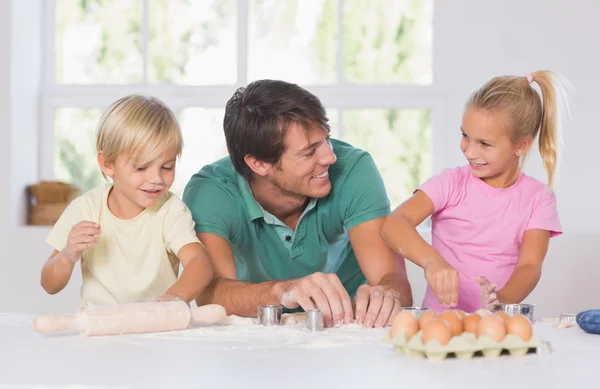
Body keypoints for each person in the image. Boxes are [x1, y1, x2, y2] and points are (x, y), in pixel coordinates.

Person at [182, 79, 413, 328]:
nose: (330, 157)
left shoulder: (354, 169)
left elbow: (393, 281)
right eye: (309, 151)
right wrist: (284, 291)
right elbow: (211, 294)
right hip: (260, 329)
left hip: (351, 325)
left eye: (327, 139)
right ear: (259, 164)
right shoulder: (210, 192)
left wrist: (387, 297)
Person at [381, 70, 571, 313]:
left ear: (522, 145)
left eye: (484, 144)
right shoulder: (451, 183)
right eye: (465, 136)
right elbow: (394, 224)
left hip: (495, 325)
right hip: (440, 323)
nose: (469, 151)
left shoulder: (538, 198)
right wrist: (432, 261)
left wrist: (498, 302)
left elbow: (529, 266)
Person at [40, 95, 214, 306]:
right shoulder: (86, 209)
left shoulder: (171, 211)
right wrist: (67, 256)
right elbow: (49, 285)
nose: (156, 179)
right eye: (141, 167)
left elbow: (200, 264)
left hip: (156, 328)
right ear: (107, 164)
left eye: (167, 167)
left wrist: (174, 299)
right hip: (99, 329)